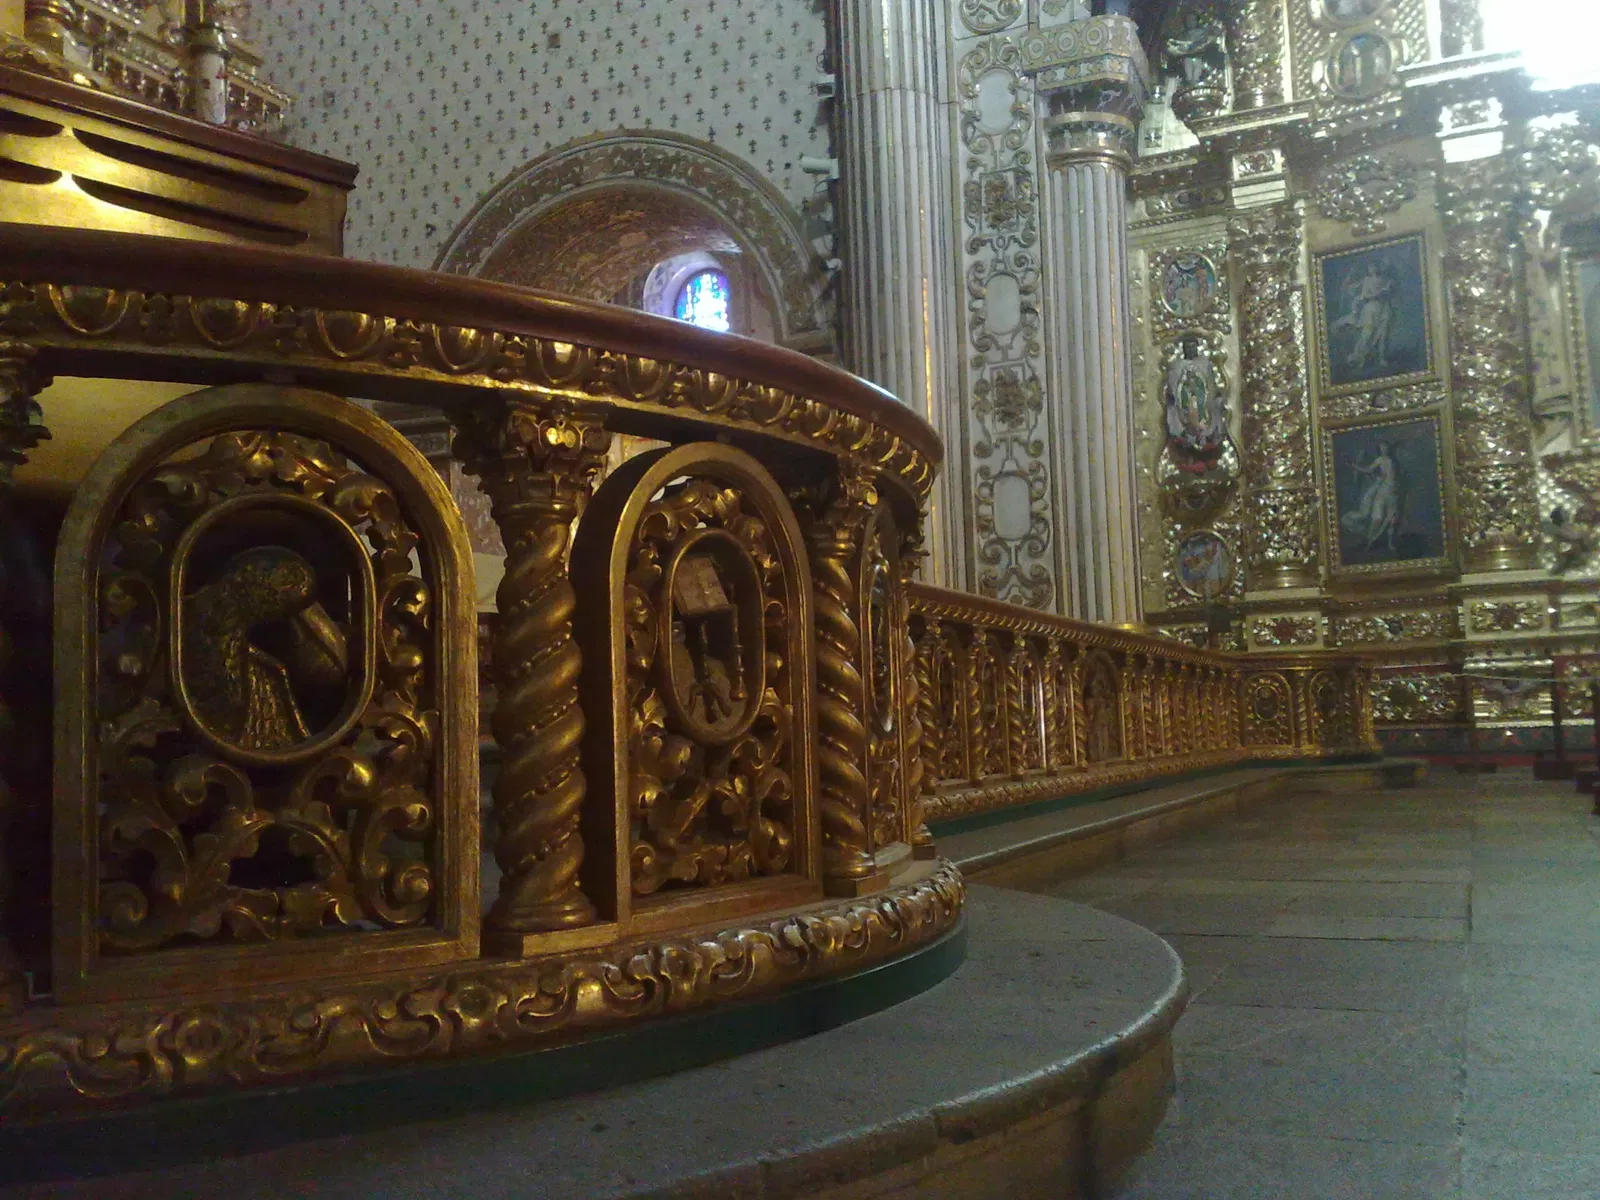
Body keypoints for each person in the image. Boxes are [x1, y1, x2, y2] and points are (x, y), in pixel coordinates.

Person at [1332, 259, 1397, 375]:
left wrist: (1387, 291)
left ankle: (1382, 358)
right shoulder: (1367, 280)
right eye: (1371, 267)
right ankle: (1360, 357)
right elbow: (1365, 296)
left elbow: (1391, 295)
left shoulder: (1387, 280)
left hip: (1384, 308)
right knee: (1368, 333)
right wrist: (1377, 294)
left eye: (1375, 266)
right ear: (1369, 270)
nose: (1374, 269)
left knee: (1383, 334)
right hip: (1371, 309)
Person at [1341, 439, 1400, 553]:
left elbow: (1392, 476)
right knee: (1377, 518)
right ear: (1380, 449)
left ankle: (1390, 544)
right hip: (1383, 490)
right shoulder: (1380, 460)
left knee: (1392, 519)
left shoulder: (1394, 461)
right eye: (1382, 447)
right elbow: (1367, 470)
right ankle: (1370, 541)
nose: (1384, 448)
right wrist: (1353, 465)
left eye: (1386, 446)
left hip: (1393, 492)